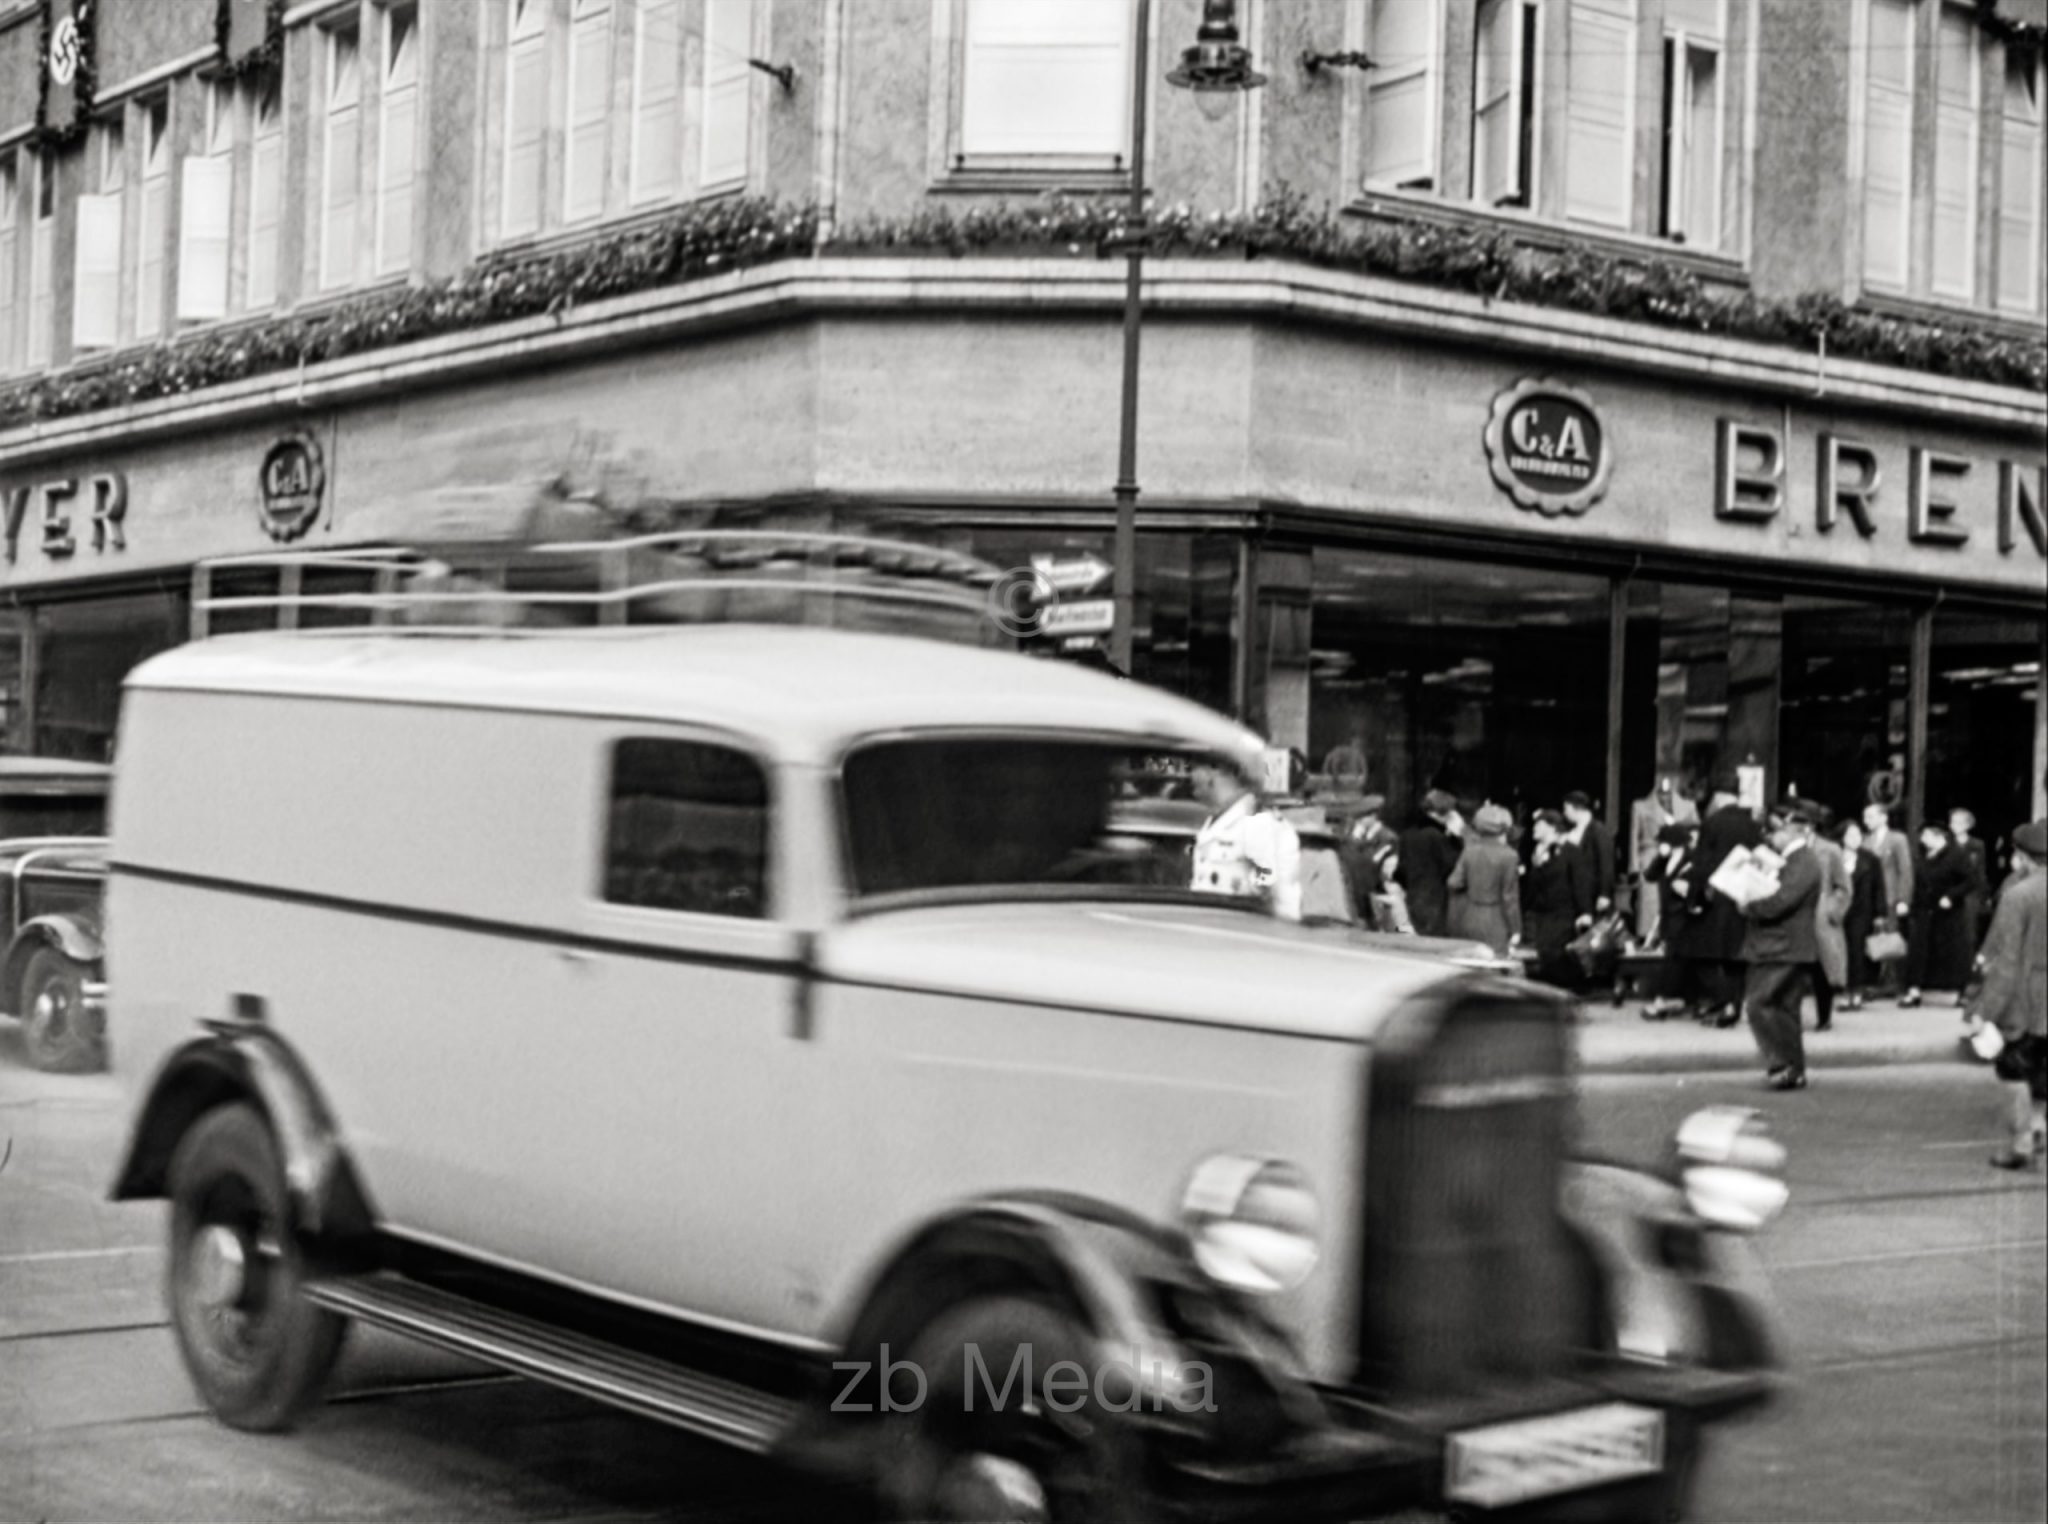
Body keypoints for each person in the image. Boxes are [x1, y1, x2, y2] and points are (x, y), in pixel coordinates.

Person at [1740, 799, 1826, 1091]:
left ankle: (1782, 1064)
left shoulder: (1802, 860)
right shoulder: (1794, 860)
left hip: (1782, 945)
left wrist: (1748, 904)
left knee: (1758, 1004)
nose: (1771, 837)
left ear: (1792, 831)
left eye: (1776, 831)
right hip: (1786, 945)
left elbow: (1781, 902)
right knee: (1785, 1008)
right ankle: (1794, 1069)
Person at [1977, 820, 2047, 1169]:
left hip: (2028, 1001)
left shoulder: (2019, 895)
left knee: (2013, 1071)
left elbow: (2007, 961)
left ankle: (2022, 1144)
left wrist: (1988, 1011)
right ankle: (2039, 1129)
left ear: (2025, 857)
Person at [1690, 778, 1764, 1027]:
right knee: (1738, 957)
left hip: (1717, 899)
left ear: (1719, 798)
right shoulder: (1753, 825)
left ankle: (1724, 1002)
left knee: (1712, 956)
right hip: (1744, 897)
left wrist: (1695, 897)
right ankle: (1737, 1002)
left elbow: (1701, 864)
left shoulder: (1712, 823)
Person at [1191, 763, 1303, 921]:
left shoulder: (1261, 823)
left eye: (1196, 765)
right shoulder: (1213, 822)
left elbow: (1284, 900)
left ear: (1214, 772)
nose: (1190, 774)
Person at [1902, 821, 1975, 1006]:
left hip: (1949, 912)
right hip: (1925, 910)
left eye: (1926, 835)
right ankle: (1914, 989)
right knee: (1918, 950)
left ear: (1939, 835)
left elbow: (1971, 880)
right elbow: (1917, 882)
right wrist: (1911, 905)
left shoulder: (1956, 855)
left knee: (1954, 952)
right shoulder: (1923, 855)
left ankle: (1961, 991)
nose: (1922, 840)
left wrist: (1951, 896)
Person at [1642, 821, 1708, 1020]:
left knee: (1675, 960)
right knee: (1678, 959)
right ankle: (1689, 999)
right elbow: (1650, 875)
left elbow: (1699, 884)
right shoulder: (1666, 859)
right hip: (1669, 916)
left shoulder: (1693, 858)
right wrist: (1661, 857)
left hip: (1685, 917)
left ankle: (1664, 999)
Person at [1523, 809, 1592, 988]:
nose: (1534, 828)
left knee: (1558, 955)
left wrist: (1585, 911)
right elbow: (1533, 887)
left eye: (1540, 825)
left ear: (1552, 828)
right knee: (1545, 955)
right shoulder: (1537, 853)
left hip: (1564, 914)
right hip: (1543, 914)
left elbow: (1580, 882)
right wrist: (1537, 864)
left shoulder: (1571, 851)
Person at [1629, 777, 1698, 942]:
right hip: (1651, 854)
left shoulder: (1688, 807)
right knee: (1650, 902)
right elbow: (1634, 836)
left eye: (1667, 793)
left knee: (1675, 899)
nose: (1664, 796)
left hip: (1680, 855)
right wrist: (1633, 866)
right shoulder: (1640, 807)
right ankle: (1648, 936)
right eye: (1661, 793)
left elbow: (1695, 832)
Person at [1448, 804, 1521, 956]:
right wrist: (1516, 929)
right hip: (1496, 919)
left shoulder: (1469, 851)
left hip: (1469, 916)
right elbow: (1509, 897)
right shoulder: (1509, 856)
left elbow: (1454, 882)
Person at [1861, 803, 1915, 997]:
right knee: (1873, 939)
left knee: (1891, 938)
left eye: (1871, 816)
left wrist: (1904, 899)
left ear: (1884, 818)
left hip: (1891, 896)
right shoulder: (1865, 841)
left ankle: (1891, 981)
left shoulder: (1898, 839)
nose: (1867, 821)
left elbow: (1905, 870)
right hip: (1871, 897)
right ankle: (1874, 980)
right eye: (1865, 817)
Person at [1808, 808, 1854, 1034]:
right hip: (1794, 917)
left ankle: (1823, 1016)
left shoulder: (1829, 850)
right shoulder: (1783, 849)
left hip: (1819, 917)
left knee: (1821, 971)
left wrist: (1832, 911)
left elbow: (1843, 887)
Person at [1398, 789, 1464, 937]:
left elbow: (1400, 870)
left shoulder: (1408, 834)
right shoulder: (1438, 838)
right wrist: (1456, 838)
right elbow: (1454, 866)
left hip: (1412, 895)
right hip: (1435, 899)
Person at [1338, 794, 1408, 932]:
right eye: (1357, 818)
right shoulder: (1351, 835)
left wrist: (1355, 841)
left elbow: (1370, 863)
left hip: (1376, 898)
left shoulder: (1387, 838)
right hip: (1353, 895)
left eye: (1362, 818)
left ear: (1374, 816)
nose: (1358, 822)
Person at [1837, 819, 1885, 1011]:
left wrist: (1879, 913)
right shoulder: (1835, 856)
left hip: (1861, 911)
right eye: (1851, 835)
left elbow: (1879, 887)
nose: (1856, 839)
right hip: (1839, 910)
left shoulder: (1870, 859)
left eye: (1858, 835)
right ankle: (1842, 990)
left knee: (1857, 951)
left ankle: (1856, 991)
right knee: (1841, 951)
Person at [1562, 791, 1617, 918]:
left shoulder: (1598, 830)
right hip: (1580, 894)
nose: (1565, 813)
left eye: (1566, 808)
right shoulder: (1574, 831)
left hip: (1595, 894)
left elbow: (1606, 863)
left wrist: (1605, 893)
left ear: (1576, 808)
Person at [1949, 807, 1990, 949]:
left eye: (1958, 823)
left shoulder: (1977, 845)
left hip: (1970, 894)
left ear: (1967, 825)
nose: (1953, 826)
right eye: (1952, 822)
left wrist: (1983, 896)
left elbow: (1980, 871)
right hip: (1951, 892)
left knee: (1969, 931)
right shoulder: (1946, 844)